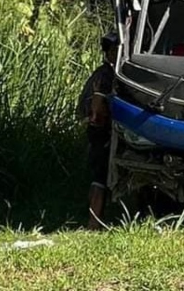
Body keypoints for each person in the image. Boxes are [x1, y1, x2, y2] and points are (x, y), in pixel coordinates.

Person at [77, 31, 119, 230]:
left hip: (97, 129)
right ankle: (94, 223)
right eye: (115, 49)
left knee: (99, 175)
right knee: (100, 177)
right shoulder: (105, 75)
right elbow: (96, 108)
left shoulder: (102, 72)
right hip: (101, 131)